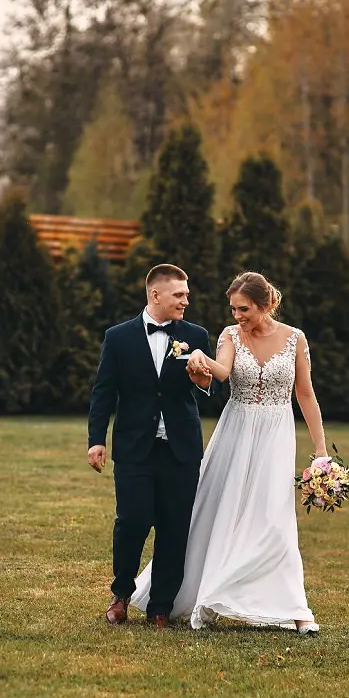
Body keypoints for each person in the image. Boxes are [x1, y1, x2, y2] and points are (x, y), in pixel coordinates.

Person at [130, 271, 326, 635]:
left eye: (244, 309)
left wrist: (320, 451)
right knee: (219, 512)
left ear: (265, 305)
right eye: (234, 309)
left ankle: (296, 608)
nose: (238, 315)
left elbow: (306, 394)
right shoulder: (230, 335)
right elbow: (222, 372)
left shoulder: (295, 339)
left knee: (274, 520)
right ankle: (205, 594)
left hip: (276, 436)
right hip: (236, 431)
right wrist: (201, 358)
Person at [87, 263, 216, 629]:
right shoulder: (118, 337)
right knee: (132, 522)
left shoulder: (196, 335)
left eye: (187, 294)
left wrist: (203, 380)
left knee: (175, 528)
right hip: (134, 448)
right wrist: (97, 439)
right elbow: (103, 391)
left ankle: (161, 606)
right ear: (155, 295)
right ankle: (121, 595)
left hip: (181, 449)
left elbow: (211, 389)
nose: (186, 301)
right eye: (179, 295)